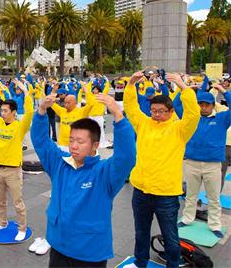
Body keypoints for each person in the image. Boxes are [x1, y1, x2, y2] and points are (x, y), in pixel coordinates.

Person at [31, 92, 136, 267]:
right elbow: (41, 141)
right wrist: (41, 110)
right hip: (58, 247)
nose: (73, 146)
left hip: (89, 254)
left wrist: (118, 115)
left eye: (80, 141)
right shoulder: (60, 163)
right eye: (71, 140)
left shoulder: (104, 172)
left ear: (95, 145)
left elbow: (126, 157)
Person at [123, 71, 200, 268]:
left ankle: (173, 265)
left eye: (161, 111)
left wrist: (184, 87)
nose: (156, 115)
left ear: (171, 111)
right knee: (141, 232)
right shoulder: (143, 123)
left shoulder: (180, 129)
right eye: (153, 110)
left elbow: (193, 114)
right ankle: (140, 263)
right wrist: (131, 84)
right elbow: (131, 108)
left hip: (166, 194)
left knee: (170, 236)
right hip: (141, 190)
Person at [0, 78, 33, 241]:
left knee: (18, 203)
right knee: (0, 201)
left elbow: (30, 111)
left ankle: (22, 228)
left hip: (13, 171)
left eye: (5, 110)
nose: (2, 113)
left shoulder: (19, 126)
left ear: (13, 112)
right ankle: (2, 223)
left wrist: (25, 92)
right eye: (1, 110)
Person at [179, 84, 230, 238]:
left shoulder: (221, 119)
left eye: (206, 104)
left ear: (213, 105)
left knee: (213, 197)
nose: (203, 107)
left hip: (213, 165)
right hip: (191, 163)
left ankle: (214, 224)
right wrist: (186, 89)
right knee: (191, 195)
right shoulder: (191, 118)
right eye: (200, 104)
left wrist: (224, 91)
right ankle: (187, 218)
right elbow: (176, 105)